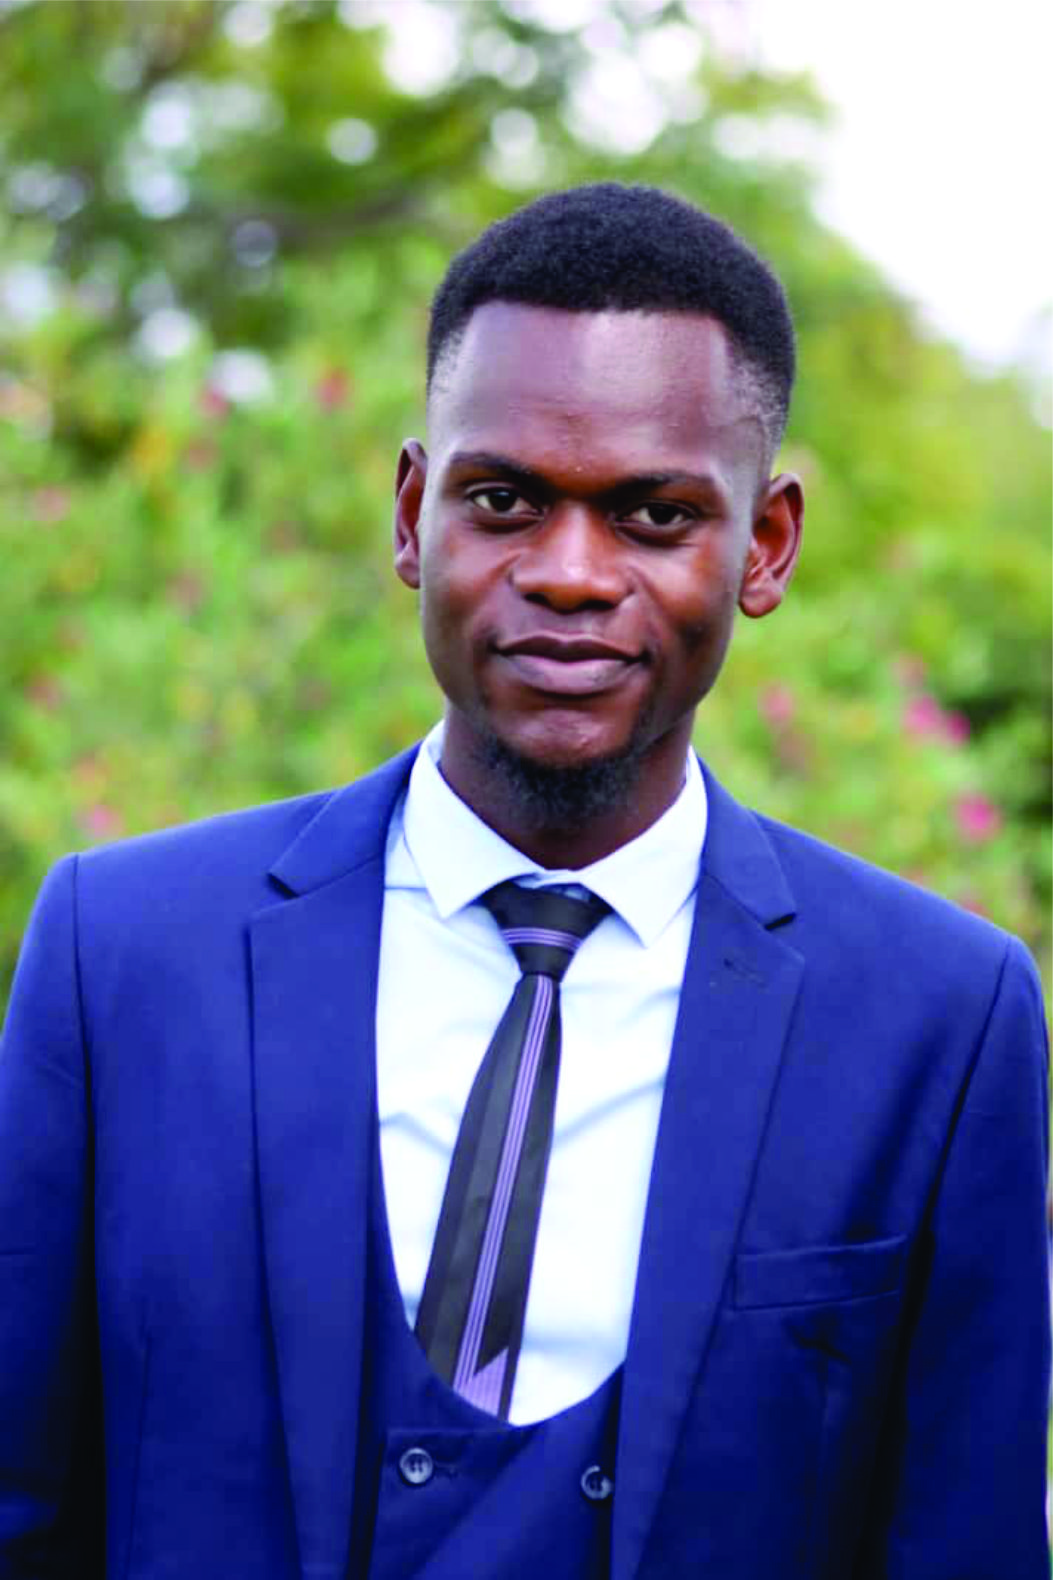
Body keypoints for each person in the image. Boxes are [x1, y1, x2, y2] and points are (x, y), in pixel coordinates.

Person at [0, 183, 1048, 1579]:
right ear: (412, 514)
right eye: (504, 500)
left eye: (654, 515)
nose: (568, 574)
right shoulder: (122, 954)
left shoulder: (940, 1021)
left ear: (766, 547)